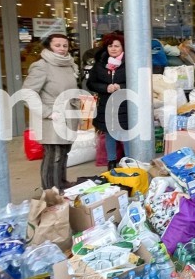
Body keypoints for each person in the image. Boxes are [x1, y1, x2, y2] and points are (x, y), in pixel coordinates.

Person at [22, 33, 80, 189]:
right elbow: (27, 94)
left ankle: (61, 183)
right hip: (52, 118)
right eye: (57, 45)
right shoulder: (42, 66)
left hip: (68, 115)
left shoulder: (70, 65)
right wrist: (47, 112)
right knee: (53, 154)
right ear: (49, 46)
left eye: (65, 45)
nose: (62, 49)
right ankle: (51, 190)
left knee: (64, 151)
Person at [87, 34, 129, 169]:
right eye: (110, 46)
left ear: (123, 47)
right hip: (106, 104)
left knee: (126, 133)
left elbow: (137, 82)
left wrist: (120, 87)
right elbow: (91, 83)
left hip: (125, 104)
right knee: (109, 133)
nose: (113, 49)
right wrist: (105, 88)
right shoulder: (100, 63)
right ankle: (111, 161)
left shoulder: (129, 62)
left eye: (117, 46)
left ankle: (128, 161)